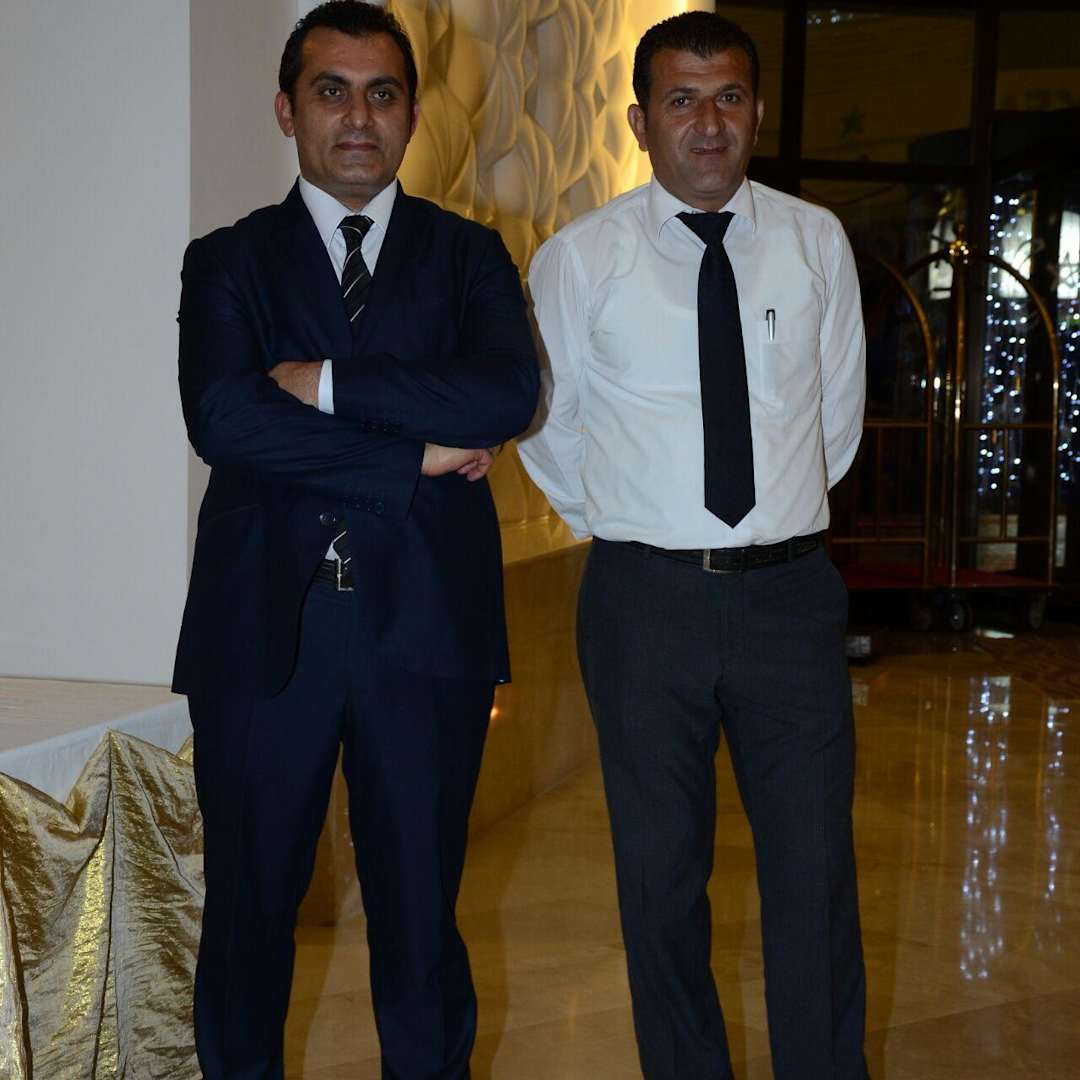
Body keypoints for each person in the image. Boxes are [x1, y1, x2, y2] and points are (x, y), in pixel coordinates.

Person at [174, 2, 538, 1076]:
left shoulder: (470, 256)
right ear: (287, 110)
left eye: (383, 94)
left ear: (413, 115)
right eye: (331, 91)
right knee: (246, 923)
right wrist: (410, 454)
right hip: (262, 634)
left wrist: (322, 383)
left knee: (421, 924)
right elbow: (224, 419)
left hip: (425, 635)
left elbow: (501, 395)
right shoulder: (227, 261)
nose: (358, 117)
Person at [519, 11, 869, 1080]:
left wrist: (768, 523)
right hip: (644, 605)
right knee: (660, 881)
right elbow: (550, 429)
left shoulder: (815, 242)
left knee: (814, 873)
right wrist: (642, 528)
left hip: (791, 599)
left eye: (727, 98)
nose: (707, 123)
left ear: (756, 113)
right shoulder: (580, 259)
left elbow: (837, 421)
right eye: (681, 100)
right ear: (640, 120)